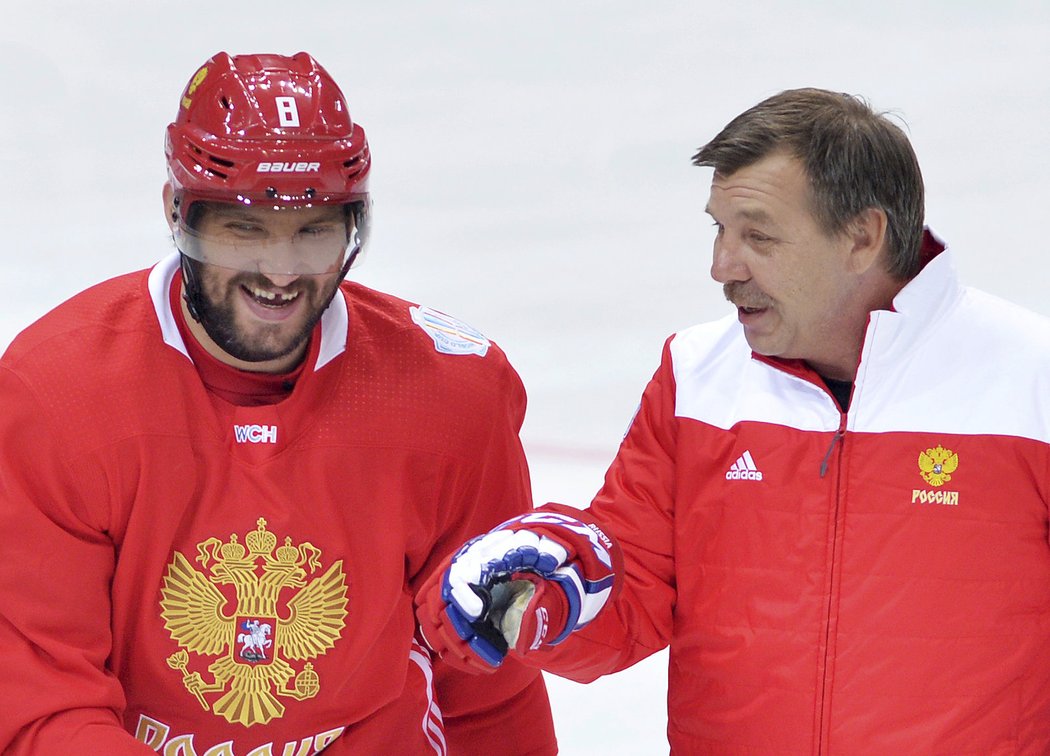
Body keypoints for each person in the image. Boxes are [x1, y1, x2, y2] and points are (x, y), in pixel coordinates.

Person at [416, 88, 1050, 752]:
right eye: (719, 229)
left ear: (862, 238)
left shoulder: (1028, 381)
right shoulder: (697, 377)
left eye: (759, 236)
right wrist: (538, 594)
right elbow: (626, 595)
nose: (722, 267)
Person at [0, 51, 557, 755]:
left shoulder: (454, 398)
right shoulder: (57, 393)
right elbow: (43, 704)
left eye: (314, 229)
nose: (281, 271)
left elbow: (489, 691)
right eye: (243, 228)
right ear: (175, 211)